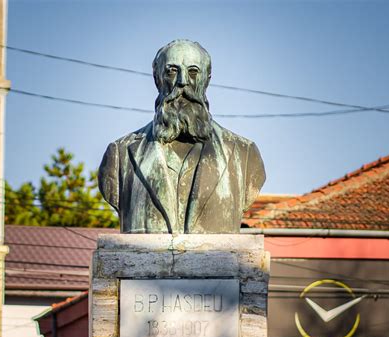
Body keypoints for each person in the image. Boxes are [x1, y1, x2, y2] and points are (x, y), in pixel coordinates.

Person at [98, 39, 265, 234]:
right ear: (157, 78)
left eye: (193, 71)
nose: (183, 81)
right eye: (172, 71)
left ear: (207, 79)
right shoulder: (120, 154)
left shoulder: (244, 155)